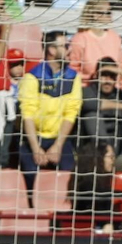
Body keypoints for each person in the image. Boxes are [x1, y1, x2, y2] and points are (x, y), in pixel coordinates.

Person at [18, 30, 82, 188]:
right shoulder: (32, 77)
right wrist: (35, 148)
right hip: (33, 138)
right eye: (65, 46)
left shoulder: (73, 77)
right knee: (30, 175)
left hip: (59, 138)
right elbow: (28, 114)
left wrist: (58, 145)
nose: (69, 50)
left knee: (70, 176)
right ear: (52, 50)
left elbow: (71, 113)